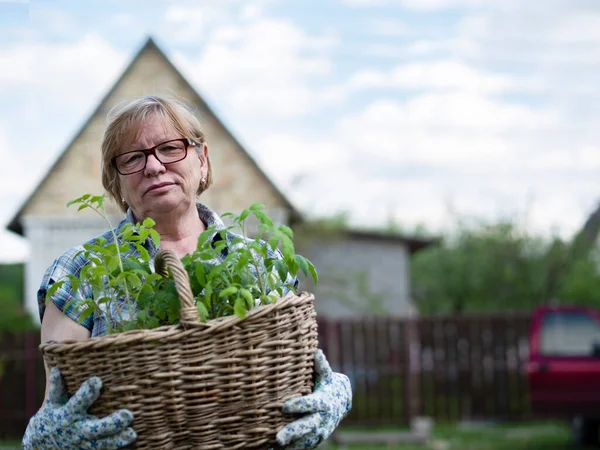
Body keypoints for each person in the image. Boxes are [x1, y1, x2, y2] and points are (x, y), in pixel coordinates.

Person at [22, 95, 352, 449]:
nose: (153, 166)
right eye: (133, 158)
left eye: (170, 148)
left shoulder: (260, 263)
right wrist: (48, 439)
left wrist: (336, 396)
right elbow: (56, 407)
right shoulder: (78, 271)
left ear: (203, 161)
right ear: (115, 182)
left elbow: (305, 375)